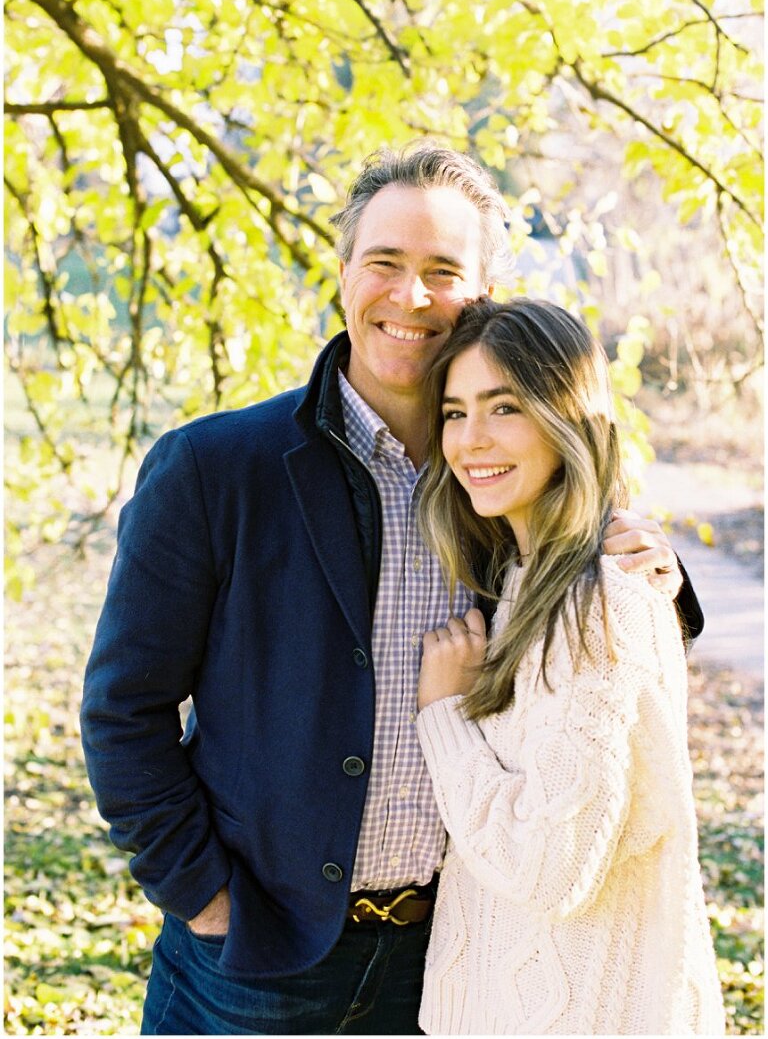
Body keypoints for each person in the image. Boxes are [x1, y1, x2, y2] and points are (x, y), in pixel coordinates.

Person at [80, 143, 702, 1036]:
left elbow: (598, 664)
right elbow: (122, 710)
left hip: (446, 961)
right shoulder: (215, 470)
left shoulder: (503, 478)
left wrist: (663, 582)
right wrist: (206, 896)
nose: (411, 297)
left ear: (484, 293)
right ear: (343, 276)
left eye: (443, 271)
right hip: (254, 963)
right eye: (386, 263)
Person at [416, 297, 724, 1035]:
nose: (471, 440)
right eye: (455, 413)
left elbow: (549, 865)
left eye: (505, 407)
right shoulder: (522, 579)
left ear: (567, 420)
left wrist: (444, 718)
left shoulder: (599, 607)